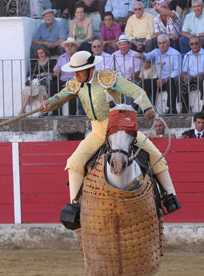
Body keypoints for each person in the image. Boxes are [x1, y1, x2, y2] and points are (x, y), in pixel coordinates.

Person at [41, 50, 179, 214]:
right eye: (74, 71)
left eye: (79, 71)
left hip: (119, 128)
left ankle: (169, 196)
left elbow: (134, 90)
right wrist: (49, 103)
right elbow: (61, 97)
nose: (76, 74)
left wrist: (147, 107)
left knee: (155, 154)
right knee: (74, 163)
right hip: (98, 131)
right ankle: (75, 206)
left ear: (90, 69)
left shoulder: (107, 78)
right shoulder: (76, 83)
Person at [137, 34, 182, 113]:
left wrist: (165, 80)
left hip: (171, 80)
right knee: (146, 82)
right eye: (160, 43)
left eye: (164, 43)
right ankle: (146, 108)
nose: (162, 45)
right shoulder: (156, 52)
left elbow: (177, 71)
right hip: (159, 80)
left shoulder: (175, 53)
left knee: (171, 81)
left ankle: (171, 108)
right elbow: (147, 56)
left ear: (169, 43)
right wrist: (141, 56)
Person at [21, 46, 56, 113]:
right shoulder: (34, 62)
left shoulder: (52, 61)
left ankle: (42, 110)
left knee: (41, 88)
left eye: (42, 52)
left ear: (46, 52)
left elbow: (54, 74)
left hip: (47, 80)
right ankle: (23, 109)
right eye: (39, 53)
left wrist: (46, 73)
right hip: (37, 81)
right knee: (28, 88)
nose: (40, 55)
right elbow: (31, 73)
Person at [53, 38, 79, 115]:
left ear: (75, 47)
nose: (69, 47)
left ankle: (72, 114)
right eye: (67, 45)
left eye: (71, 45)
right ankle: (56, 112)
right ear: (65, 48)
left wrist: (69, 83)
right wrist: (58, 71)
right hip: (62, 80)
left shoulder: (78, 56)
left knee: (72, 88)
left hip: (74, 80)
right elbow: (55, 72)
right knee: (53, 86)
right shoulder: (62, 57)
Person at [180, 35, 204, 113]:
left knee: (201, 79)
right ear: (189, 45)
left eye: (196, 43)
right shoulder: (187, 55)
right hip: (190, 79)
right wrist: (185, 77)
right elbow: (183, 71)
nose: (194, 46)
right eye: (192, 44)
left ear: (201, 44)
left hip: (200, 78)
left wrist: (193, 77)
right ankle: (185, 107)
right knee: (178, 80)